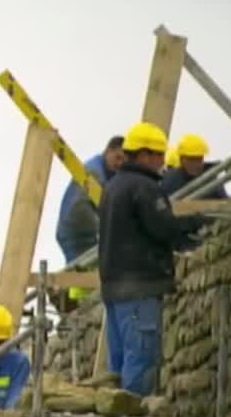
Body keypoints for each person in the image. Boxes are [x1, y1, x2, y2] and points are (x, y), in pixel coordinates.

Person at [97, 122, 207, 396]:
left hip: (113, 290)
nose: (162, 162)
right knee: (141, 360)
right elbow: (162, 227)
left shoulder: (112, 188)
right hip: (139, 289)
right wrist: (194, 223)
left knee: (119, 367)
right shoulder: (144, 188)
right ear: (144, 155)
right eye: (158, 155)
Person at [55, 135, 125, 265]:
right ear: (108, 151)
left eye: (123, 161)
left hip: (80, 232)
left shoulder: (106, 171)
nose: (119, 163)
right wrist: (104, 227)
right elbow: (80, 207)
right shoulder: (95, 172)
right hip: (75, 232)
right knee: (81, 272)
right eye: (118, 158)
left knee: (85, 271)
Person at [160, 133, 228, 199]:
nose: (197, 163)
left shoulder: (210, 178)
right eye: (192, 159)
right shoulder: (170, 181)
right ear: (181, 159)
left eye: (199, 158)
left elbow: (226, 203)